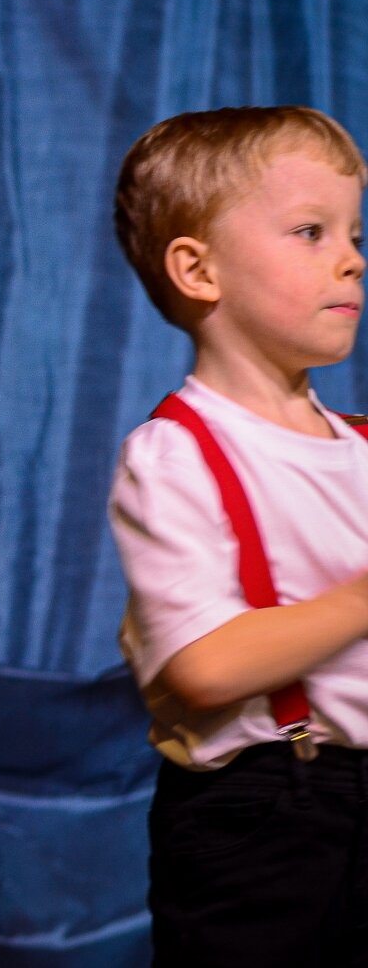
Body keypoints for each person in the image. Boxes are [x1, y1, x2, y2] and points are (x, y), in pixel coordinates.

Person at [109, 105, 368, 962]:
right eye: (310, 231)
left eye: (355, 233)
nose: (352, 257)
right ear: (198, 268)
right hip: (269, 820)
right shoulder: (176, 454)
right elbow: (205, 664)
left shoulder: (362, 449)